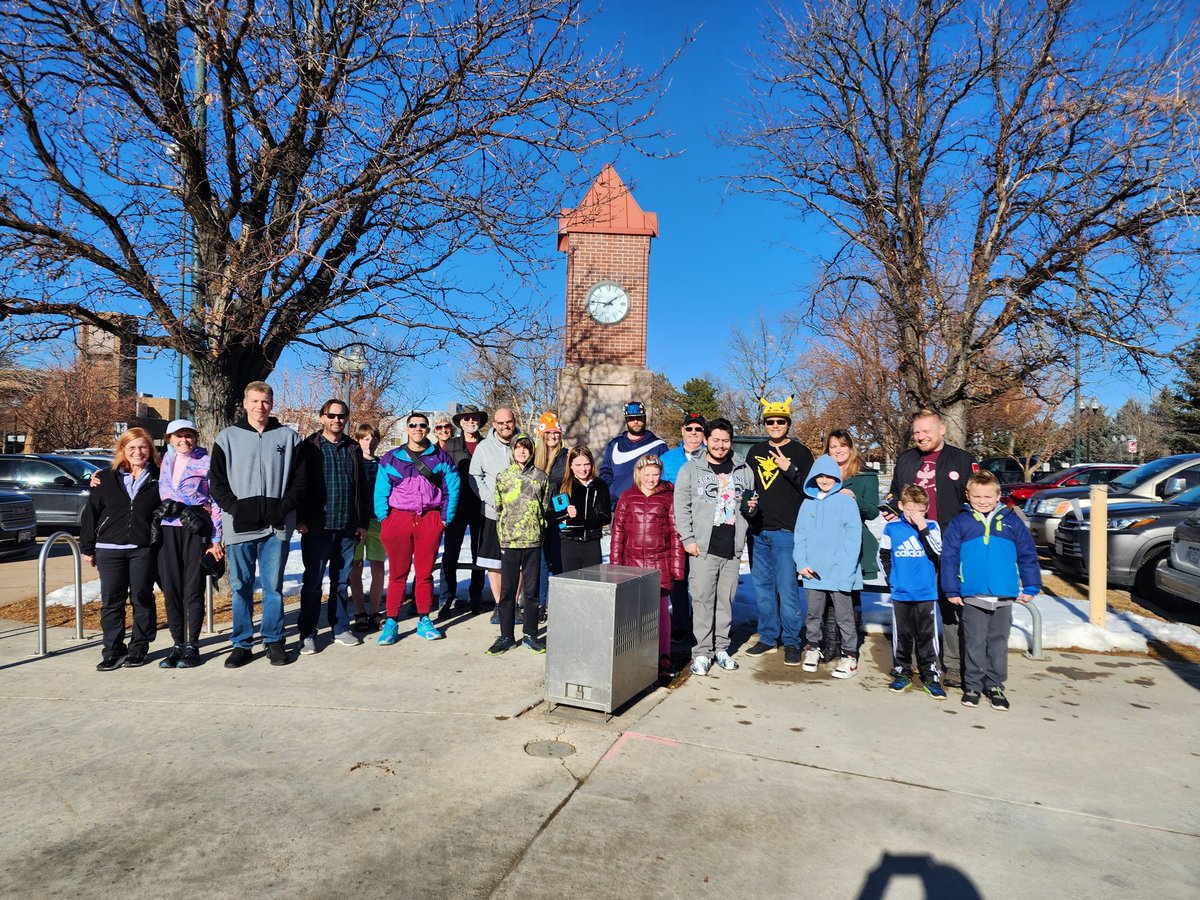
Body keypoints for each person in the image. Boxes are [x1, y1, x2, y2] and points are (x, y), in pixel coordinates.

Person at [211, 381, 306, 668]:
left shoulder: (289, 437)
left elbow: (300, 482)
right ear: (244, 403)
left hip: (276, 527)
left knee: (273, 587)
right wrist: (237, 510)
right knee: (240, 586)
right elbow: (217, 483)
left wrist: (282, 509)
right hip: (240, 526)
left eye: (264, 401)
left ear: (271, 403)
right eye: (254, 401)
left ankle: (274, 640)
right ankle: (242, 643)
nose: (259, 407)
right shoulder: (227, 437)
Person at [885, 408, 977, 686]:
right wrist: (891, 509)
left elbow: (975, 501)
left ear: (942, 430)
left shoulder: (962, 460)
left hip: (948, 543)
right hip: (912, 548)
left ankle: (952, 665)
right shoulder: (905, 459)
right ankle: (909, 663)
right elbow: (894, 492)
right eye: (916, 432)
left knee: (949, 603)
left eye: (926, 431)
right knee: (913, 605)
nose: (920, 436)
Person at [940, 470, 1041, 710]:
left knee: (997, 642)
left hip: (1004, 594)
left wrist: (1031, 584)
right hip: (973, 595)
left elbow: (1027, 554)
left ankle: (995, 685)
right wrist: (951, 588)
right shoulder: (961, 522)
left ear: (998, 496)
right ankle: (973, 685)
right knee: (974, 641)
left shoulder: (1011, 521)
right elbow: (949, 556)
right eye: (976, 496)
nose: (982, 500)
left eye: (987, 496)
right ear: (968, 495)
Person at [674, 417, 756, 676]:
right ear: (707, 440)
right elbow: (681, 507)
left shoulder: (743, 468)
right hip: (703, 548)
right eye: (716, 440)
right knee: (702, 601)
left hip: (731, 547)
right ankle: (701, 652)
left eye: (725, 440)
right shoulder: (691, 469)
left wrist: (752, 509)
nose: (721, 445)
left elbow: (750, 503)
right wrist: (688, 540)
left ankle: (721, 647)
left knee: (725, 601)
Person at [375, 412, 460, 646]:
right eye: (413, 425)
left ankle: (424, 619)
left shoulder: (441, 457)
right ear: (407, 428)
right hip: (398, 519)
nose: (418, 429)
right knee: (398, 574)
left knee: (424, 574)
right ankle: (392, 621)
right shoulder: (391, 458)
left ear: (428, 429)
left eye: (422, 425)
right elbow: (381, 490)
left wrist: (443, 520)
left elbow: (452, 489)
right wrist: (385, 519)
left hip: (429, 520)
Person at [81, 428, 161, 671]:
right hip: (109, 549)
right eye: (132, 448)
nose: (138, 452)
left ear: (150, 449)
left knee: (142, 598)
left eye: (143, 447)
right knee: (112, 602)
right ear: (123, 450)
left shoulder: (160, 477)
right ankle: (113, 651)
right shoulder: (105, 477)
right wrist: (88, 548)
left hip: (142, 549)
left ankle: (139, 647)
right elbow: (91, 514)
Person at [296, 398, 371, 654]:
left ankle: (340, 627)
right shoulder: (309, 447)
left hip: (347, 527)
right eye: (332, 415)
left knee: (340, 582)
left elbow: (361, 488)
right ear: (322, 417)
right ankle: (307, 633)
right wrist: (301, 518)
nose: (337, 420)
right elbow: (300, 485)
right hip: (317, 528)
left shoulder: (353, 448)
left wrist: (362, 522)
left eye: (341, 416)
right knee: (313, 582)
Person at [743, 398, 814, 667]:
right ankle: (769, 636)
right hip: (759, 531)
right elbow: (748, 487)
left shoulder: (801, 452)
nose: (775, 425)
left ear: (788, 423)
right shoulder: (755, 451)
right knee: (763, 588)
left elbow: (811, 488)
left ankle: (792, 642)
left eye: (780, 421)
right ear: (764, 424)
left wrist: (790, 469)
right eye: (770, 421)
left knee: (787, 589)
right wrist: (747, 507)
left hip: (787, 532)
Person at [154, 419, 224, 669]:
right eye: (178, 436)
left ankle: (192, 644)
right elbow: (131, 468)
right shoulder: (162, 461)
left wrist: (216, 538)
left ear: (195, 437)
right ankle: (177, 644)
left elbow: (216, 502)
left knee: (193, 589)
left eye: (189, 435)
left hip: (194, 531)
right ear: (169, 438)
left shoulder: (206, 462)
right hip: (166, 531)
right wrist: (98, 477)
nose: (184, 440)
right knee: (171, 590)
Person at [610, 454, 686, 677]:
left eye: (655, 474)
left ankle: (663, 656)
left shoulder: (668, 497)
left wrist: (677, 567)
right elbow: (618, 534)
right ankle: (636, 655)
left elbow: (676, 534)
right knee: (634, 613)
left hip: (658, 564)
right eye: (647, 474)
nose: (652, 479)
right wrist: (616, 566)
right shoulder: (628, 496)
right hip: (631, 565)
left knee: (661, 611)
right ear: (639, 474)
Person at [794, 454, 863, 678]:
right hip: (813, 572)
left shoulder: (846, 502)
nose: (824, 480)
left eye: (829, 476)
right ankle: (813, 647)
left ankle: (849, 655)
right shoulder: (807, 503)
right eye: (820, 476)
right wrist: (801, 562)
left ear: (837, 477)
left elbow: (853, 538)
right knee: (813, 613)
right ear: (813, 478)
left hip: (840, 571)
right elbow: (800, 535)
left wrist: (847, 569)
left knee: (844, 616)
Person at [820, 429, 880, 660]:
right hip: (826, 541)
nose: (837, 450)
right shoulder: (822, 473)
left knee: (847, 593)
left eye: (842, 445)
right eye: (833, 446)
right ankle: (830, 642)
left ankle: (848, 644)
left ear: (851, 447)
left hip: (853, 541)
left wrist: (855, 498)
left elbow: (874, 511)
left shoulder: (865, 476)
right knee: (826, 593)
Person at [880, 484, 945, 698]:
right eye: (910, 509)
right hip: (901, 593)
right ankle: (902, 672)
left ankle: (930, 675)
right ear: (900, 506)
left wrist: (922, 526)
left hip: (926, 593)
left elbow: (937, 551)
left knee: (927, 636)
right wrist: (893, 581)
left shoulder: (932, 526)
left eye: (919, 509)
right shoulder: (893, 528)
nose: (914, 514)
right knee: (903, 635)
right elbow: (883, 556)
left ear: (926, 508)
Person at [487, 433, 548, 655]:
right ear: (512, 450)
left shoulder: (540, 477)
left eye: (526, 448)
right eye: (518, 448)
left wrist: (539, 530)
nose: (522, 452)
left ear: (531, 451)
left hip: (533, 541)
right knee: (508, 590)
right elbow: (499, 507)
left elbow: (544, 506)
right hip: (510, 541)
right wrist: (504, 534)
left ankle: (531, 634)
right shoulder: (503, 477)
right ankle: (506, 635)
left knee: (531, 591)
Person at [659, 411, 708, 650]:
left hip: (705, 530)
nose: (693, 433)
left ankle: (702, 629)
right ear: (682, 431)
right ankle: (679, 626)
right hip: (676, 529)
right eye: (689, 429)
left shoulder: (713, 458)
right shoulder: (668, 459)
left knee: (702, 583)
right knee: (679, 579)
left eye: (698, 429)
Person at [438, 406, 488, 616]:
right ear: (460, 422)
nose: (470, 421)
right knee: (450, 554)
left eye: (474, 418)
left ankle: (475, 597)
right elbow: (440, 473)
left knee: (480, 554)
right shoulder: (449, 445)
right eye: (466, 418)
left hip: (481, 506)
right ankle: (446, 598)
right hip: (456, 506)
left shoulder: (487, 445)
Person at [469, 407, 517, 607]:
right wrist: (490, 498)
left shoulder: (524, 442)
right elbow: (474, 476)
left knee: (518, 563)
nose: (505, 426)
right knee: (494, 563)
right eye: (501, 422)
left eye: (509, 421)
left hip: (519, 515)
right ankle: (500, 606)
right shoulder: (484, 447)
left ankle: (513, 603)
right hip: (493, 513)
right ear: (494, 425)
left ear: (514, 421)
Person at [349, 423, 386, 631]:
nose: (369, 442)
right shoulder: (353, 462)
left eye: (373, 439)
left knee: (378, 566)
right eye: (365, 438)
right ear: (359, 440)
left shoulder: (382, 464)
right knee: (356, 566)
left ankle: (374, 611)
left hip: (378, 521)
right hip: (357, 522)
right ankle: (360, 611)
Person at [599, 400, 667, 512]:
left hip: (648, 508)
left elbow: (664, 475)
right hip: (618, 506)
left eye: (639, 417)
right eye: (631, 418)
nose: (635, 421)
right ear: (626, 420)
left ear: (645, 418)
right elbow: (605, 472)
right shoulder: (614, 444)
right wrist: (613, 491)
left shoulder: (658, 445)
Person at [534, 412, 568, 616]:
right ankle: (540, 603)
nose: (552, 437)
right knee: (541, 561)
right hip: (538, 514)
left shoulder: (566, 455)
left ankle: (558, 603)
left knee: (558, 559)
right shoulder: (535, 456)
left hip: (558, 512)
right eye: (548, 433)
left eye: (556, 433)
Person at [558, 445, 611, 572]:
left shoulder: (600, 485)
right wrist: (564, 514)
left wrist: (579, 522)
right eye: (578, 465)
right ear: (570, 465)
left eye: (586, 464)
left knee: (591, 584)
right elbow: (557, 518)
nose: (583, 469)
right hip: (570, 544)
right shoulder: (563, 486)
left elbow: (605, 517)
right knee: (570, 584)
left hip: (592, 544)